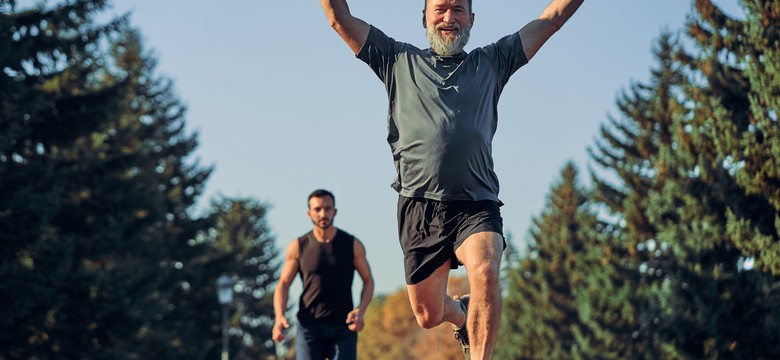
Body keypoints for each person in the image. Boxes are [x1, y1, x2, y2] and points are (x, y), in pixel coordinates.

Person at [318, 0, 584, 359]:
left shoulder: (492, 61)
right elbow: (339, 19)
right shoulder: (396, 59)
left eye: (458, 9)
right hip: (419, 205)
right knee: (428, 315)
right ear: (424, 17)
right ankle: (460, 313)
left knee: (486, 270)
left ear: (472, 19)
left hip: (476, 202)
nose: (449, 18)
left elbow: (551, 20)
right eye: (440, 9)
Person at [273, 189, 374, 360]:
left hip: (343, 327)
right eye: (317, 209)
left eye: (328, 208)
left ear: (334, 211)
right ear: (309, 213)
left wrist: (360, 310)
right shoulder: (298, 246)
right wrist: (279, 317)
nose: (323, 213)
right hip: (309, 327)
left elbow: (368, 281)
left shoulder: (351, 244)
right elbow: (283, 284)